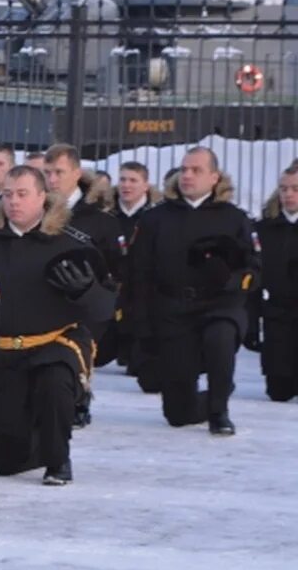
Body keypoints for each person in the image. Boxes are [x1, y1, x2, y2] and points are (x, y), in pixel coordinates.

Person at [0, 166, 115, 484]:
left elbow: (106, 307)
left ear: (42, 196)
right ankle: (36, 433)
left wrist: (85, 292)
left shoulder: (72, 243)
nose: (14, 202)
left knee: (54, 384)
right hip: (3, 353)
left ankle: (58, 458)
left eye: (22, 194)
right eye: (8, 194)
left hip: (54, 345)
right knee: (6, 462)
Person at [129, 147, 258, 435]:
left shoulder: (234, 218)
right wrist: (141, 323)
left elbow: (252, 267)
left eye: (196, 170)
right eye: (184, 169)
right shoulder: (156, 219)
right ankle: (202, 400)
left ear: (214, 177)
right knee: (178, 413)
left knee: (220, 337)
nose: (187, 175)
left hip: (219, 304)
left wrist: (231, 280)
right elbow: (139, 273)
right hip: (174, 310)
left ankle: (219, 409)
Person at [43, 144, 122, 427]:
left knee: (80, 346)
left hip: (86, 297)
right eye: (47, 172)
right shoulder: (36, 215)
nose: (52, 179)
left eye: (59, 172)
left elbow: (116, 265)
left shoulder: (99, 219)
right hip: (47, 297)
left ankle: (80, 397)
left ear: (76, 173)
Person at [247, 164, 298, 401]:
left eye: (295, 189)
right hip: (277, 315)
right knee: (279, 391)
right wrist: (251, 323)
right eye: (284, 188)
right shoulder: (265, 230)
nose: (288, 194)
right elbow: (254, 277)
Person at [109, 161, 160, 377]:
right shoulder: (108, 217)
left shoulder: (155, 218)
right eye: (122, 179)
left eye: (133, 180)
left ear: (145, 185)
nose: (126, 185)